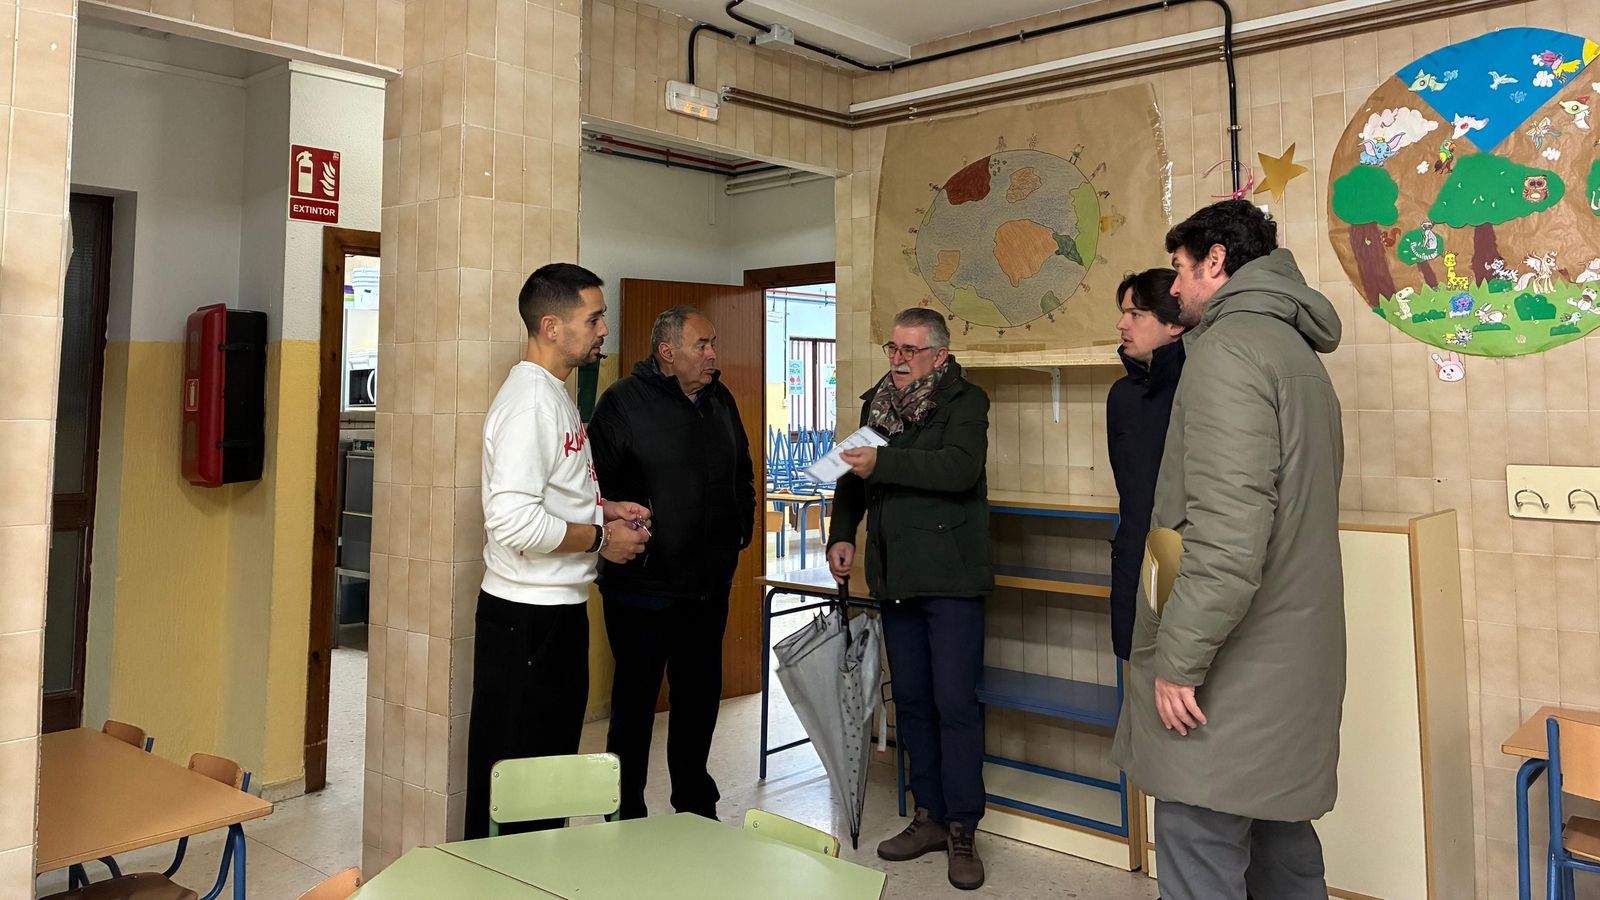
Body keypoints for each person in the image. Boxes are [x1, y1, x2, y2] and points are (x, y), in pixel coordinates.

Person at [1110, 199, 1345, 900]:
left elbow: (1224, 534)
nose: (1173, 288)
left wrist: (1176, 658)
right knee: (1282, 846)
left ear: (1217, 260)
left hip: (1232, 669)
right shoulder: (1293, 352)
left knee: (1199, 842)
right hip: (1287, 660)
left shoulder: (1227, 354)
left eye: (1180, 270)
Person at [464, 263, 651, 840]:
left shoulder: (555, 395)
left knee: (545, 784)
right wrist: (601, 538)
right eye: (592, 319)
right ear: (551, 325)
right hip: (527, 622)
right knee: (519, 789)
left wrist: (604, 510)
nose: (603, 331)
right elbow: (513, 521)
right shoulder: (530, 404)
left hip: (553, 615)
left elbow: (553, 496)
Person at [826, 307, 993, 891]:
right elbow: (850, 476)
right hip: (895, 579)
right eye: (892, 349)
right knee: (913, 704)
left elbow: (959, 469)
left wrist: (886, 461)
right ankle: (928, 815)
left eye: (908, 352)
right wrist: (842, 534)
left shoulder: (966, 403)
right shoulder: (877, 403)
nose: (896, 361)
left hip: (950, 579)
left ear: (938, 357)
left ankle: (963, 828)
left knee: (955, 703)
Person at [587, 305, 755, 821]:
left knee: (700, 700)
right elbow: (594, 489)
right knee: (635, 706)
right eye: (702, 345)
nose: (712, 355)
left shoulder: (720, 398)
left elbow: (742, 472)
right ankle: (625, 811)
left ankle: (694, 803)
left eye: (713, 344)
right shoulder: (621, 404)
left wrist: (738, 534)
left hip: (707, 585)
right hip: (642, 588)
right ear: (667, 353)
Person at [1107, 268, 1187, 661]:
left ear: (1174, 323)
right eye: (1123, 313)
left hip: (1185, 567)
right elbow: (1130, 491)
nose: (1122, 324)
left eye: (1136, 314)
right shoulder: (1121, 396)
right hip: (1134, 557)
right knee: (1135, 666)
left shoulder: (1199, 387)